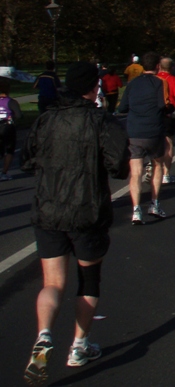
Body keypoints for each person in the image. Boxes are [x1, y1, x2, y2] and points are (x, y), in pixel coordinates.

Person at [21, 61, 129, 386]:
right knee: (89, 279)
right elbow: (119, 164)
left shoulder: (46, 119)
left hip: (49, 208)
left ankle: (43, 335)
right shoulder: (99, 120)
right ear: (94, 87)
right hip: (87, 210)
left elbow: (28, 159)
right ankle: (79, 345)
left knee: (52, 283)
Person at [117, 51, 170, 224]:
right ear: (157, 66)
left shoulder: (132, 84)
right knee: (157, 165)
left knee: (136, 171)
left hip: (134, 131)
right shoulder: (160, 83)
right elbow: (164, 105)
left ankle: (136, 209)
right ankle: (154, 203)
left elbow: (122, 107)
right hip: (154, 130)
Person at [156, 57, 175, 184]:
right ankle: (166, 174)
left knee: (155, 142)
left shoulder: (154, 79)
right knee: (168, 143)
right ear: (172, 68)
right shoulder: (173, 80)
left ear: (159, 67)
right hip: (169, 113)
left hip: (154, 113)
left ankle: (154, 169)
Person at [0, 77, 23, 181]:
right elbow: (19, 115)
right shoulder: (11, 102)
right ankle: (4, 173)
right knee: (9, 150)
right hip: (7, 126)